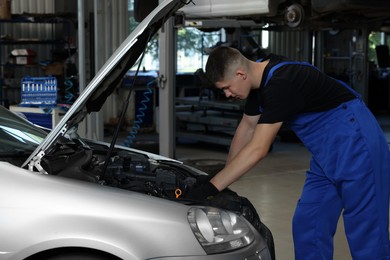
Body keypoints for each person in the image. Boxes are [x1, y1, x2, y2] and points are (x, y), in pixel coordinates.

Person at [186, 46, 390, 259]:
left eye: (226, 87)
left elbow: (258, 148)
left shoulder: (282, 83)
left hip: (358, 145)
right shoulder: (260, 82)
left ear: (240, 74)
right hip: (326, 155)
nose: (227, 94)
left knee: (366, 231)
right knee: (309, 223)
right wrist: (223, 180)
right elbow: (246, 128)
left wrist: (211, 187)